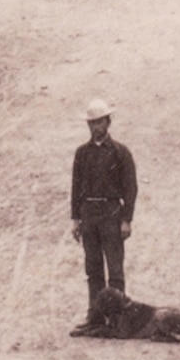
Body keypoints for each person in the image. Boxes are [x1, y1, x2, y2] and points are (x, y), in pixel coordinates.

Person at [69, 100, 137, 318]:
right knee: (93, 268)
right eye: (91, 123)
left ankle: (118, 316)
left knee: (115, 269)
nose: (95, 127)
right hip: (89, 214)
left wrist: (126, 220)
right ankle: (96, 316)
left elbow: (131, 188)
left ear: (108, 122)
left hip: (111, 214)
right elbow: (76, 186)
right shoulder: (82, 153)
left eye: (99, 122)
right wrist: (75, 219)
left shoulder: (120, 152)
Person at [73, 286, 180, 342]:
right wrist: (88, 330)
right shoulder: (126, 309)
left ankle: (173, 337)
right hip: (176, 319)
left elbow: (121, 334)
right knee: (161, 316)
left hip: (177, 319)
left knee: (162, 316)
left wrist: (90, 333)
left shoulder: (127, 312)